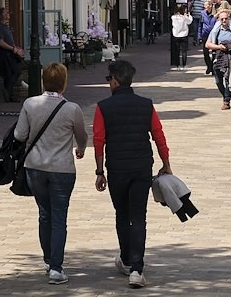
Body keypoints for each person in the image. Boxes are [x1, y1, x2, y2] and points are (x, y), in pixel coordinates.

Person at [93, 60, 172, 289]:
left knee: (121, 213)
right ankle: (137, 269)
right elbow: (159, 135)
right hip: (141, 167)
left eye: (109, 79)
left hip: (116, 167)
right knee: (138, 216)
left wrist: (99, 171)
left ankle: (126, 259)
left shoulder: (103, 107)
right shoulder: (146, 105)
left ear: (116, 81)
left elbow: (99, 141)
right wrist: (166, 163)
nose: (108, 83)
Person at [15, 63, 87, 285]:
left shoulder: (30, 104)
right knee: (59, 217)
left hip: (35, 167)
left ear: (43, 81)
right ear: (64, 83)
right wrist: (81, 149)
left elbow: (20, 134)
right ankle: (56, 267)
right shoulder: (72, 109)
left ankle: (48, 260)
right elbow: (82, 136)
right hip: (62, 169)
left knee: (44, 213)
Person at [205, 9, 231, 110]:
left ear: (229, 19)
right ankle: (225, 95)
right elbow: (208, 44)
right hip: (218, 56)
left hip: (230, 56)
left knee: (228, 79)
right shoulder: (215, 31)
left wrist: (230, 45)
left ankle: (226, 101)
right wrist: (219, 47)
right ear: (219, 20)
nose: (224, 21)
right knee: (218, 81)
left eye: (226, 18)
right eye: (222, 19)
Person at [0, 7, 27, 102]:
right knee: (13, 72)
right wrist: (13, 49)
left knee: (12, 73)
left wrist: (16, 48)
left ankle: (9, 95)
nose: (9, 14)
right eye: (6, 12)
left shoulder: (5, 27)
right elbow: (1, 43)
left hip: (10, 53)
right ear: (2, 16)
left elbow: (8, 41)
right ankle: (7, 92)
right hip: (4, 54)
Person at [170, 4, 192, 71]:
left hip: (176, 35)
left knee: (177, 51)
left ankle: (177, 65)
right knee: (184, 51)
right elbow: (189, 22)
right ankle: (184, 65)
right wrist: (189, 15)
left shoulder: (173, 17)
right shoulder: (184, 17)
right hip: (184, 35)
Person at [198, 0, 217, 75]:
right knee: (205, 52)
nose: (205, 7)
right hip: (205, 34)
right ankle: (209, 66)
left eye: (207, 5)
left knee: (214, 52)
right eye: (205, 5)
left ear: (211, 6)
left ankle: (212, 67)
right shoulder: (202, 14)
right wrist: (199, 35)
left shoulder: (215, 14)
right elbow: (200, 25)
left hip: (213, 35)